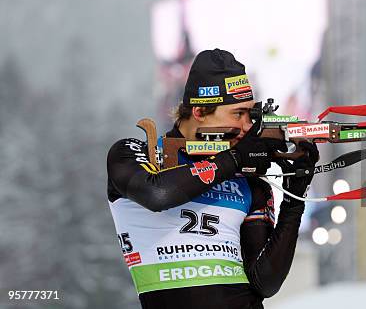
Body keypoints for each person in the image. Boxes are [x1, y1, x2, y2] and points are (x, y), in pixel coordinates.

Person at [107, 49, 318, 309]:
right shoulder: (136, 152)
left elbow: (265, 283)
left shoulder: (247, 179)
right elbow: (158, 194)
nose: (247, 127)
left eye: (250, 115)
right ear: (198, 111)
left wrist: (294, 200)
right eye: (237, 114)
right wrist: (236, 158)